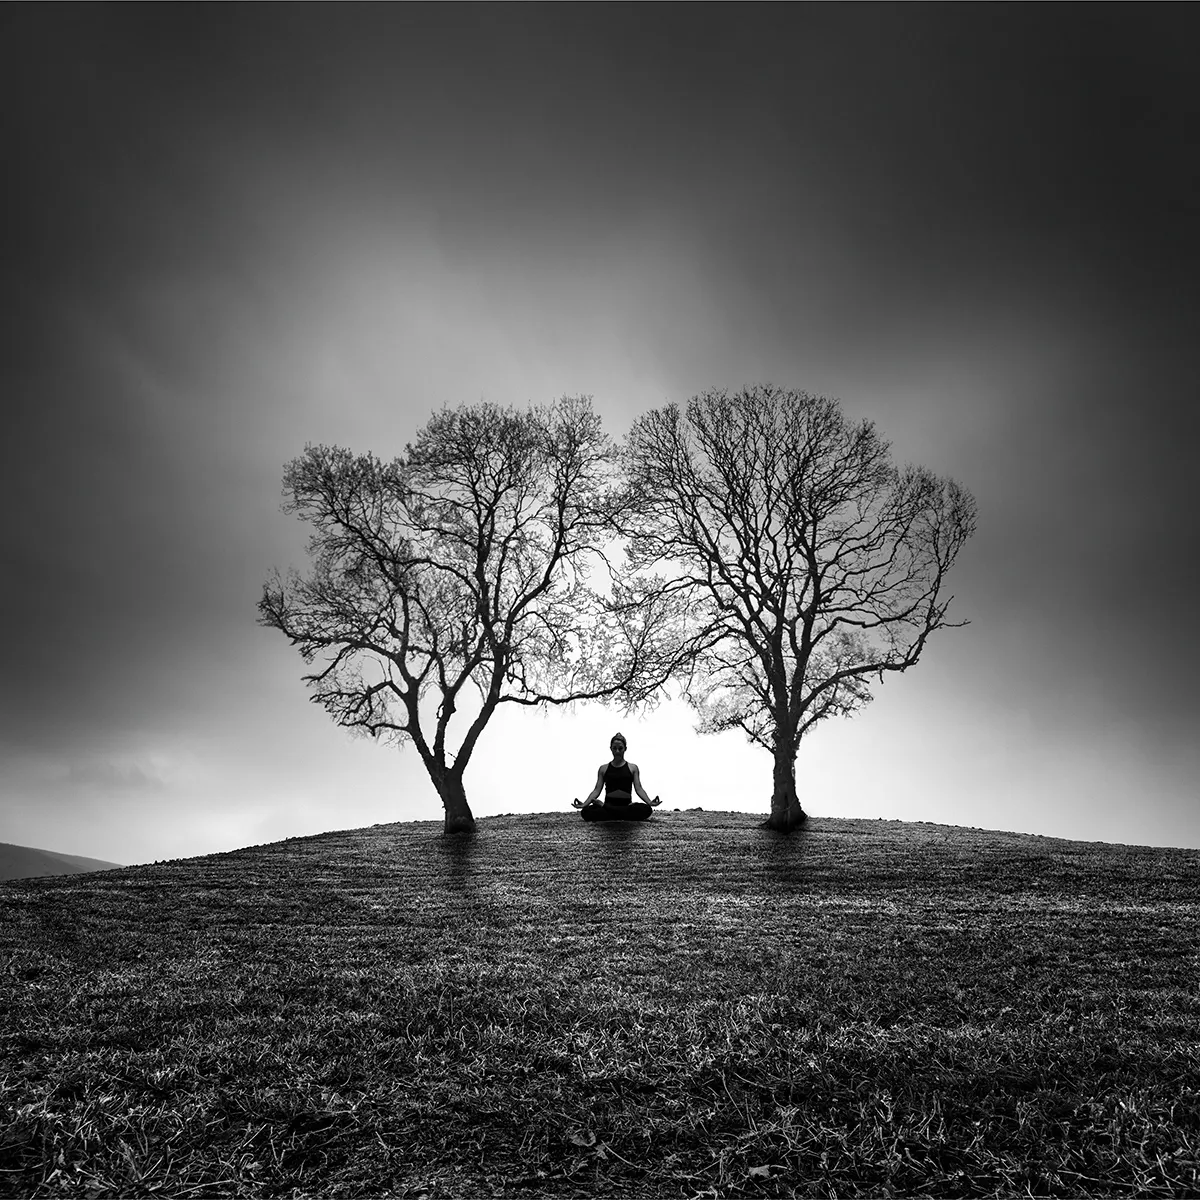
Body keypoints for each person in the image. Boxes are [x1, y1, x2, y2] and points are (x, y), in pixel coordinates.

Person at [573, 732, 661, 821]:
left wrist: (649, 802)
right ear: (611, 748)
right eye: (614, 748)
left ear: (625, 749)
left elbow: (639, 789)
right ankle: (617, 813)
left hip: (625, 806)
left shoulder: (633, 768)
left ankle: (612, 812)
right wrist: (584, 804)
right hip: (609, 806)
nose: (617, 751)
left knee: (646, 809)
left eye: (620, 748)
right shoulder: (603, 769)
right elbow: (597, 790)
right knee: (586, 811)